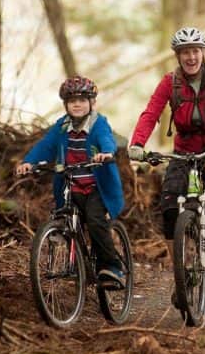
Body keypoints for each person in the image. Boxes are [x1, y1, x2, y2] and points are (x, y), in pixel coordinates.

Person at [128, 27, 205, 243]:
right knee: (169, 205)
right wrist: (137, 144)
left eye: (195, 51)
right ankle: (178, 265)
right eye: (185, 52)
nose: (191, 57)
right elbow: (151, 113)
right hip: (184, 148)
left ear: (203, 53)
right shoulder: (170, 82)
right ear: (178, 56)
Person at [16, 76, 127, 288]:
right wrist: (29, 162)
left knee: (95, 220)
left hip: (97, 187)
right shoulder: (62, 126)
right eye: (72, 100)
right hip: (71, 185)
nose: (77, 104)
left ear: (92, 103)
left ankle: (113, 268)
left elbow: (107, 140)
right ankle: (80, 265)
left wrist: (105, 153)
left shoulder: (98, 123)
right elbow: (45, 145)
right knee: (66, 220)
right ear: (65, 104)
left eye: (82, 100)